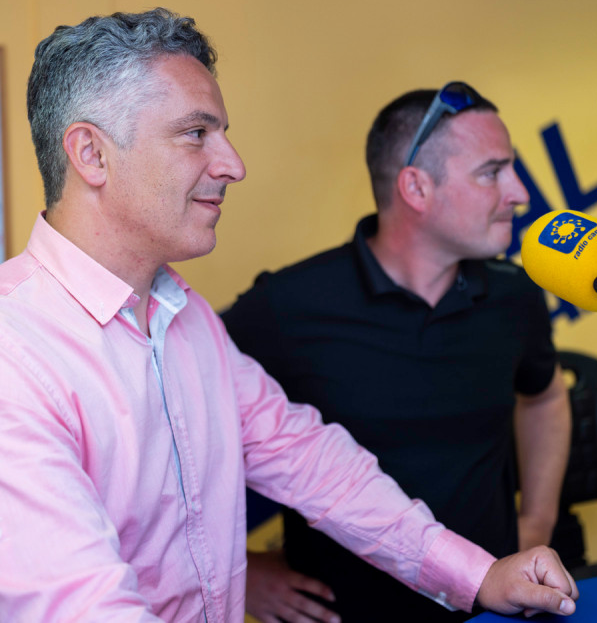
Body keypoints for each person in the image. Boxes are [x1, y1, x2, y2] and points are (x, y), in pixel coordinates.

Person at [0, 11, 578, 622]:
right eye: (197, 134)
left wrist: (477, 574)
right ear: (91, 154)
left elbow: (313, 462)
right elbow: (79, 606)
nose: (234, 165)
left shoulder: (185, 316)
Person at [223, 84, 572, 622]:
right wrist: (239, 572)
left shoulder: (514, 296)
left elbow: (545, 398)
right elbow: (169, 432)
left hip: (492, 609)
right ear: (416, 187)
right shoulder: (286, 306)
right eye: (492, 172)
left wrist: (538, 522)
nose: (519, 192)